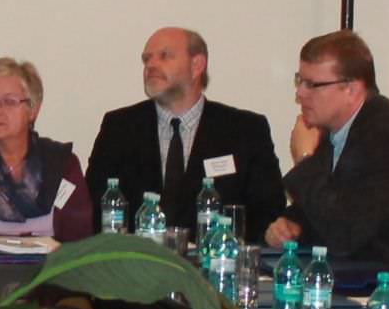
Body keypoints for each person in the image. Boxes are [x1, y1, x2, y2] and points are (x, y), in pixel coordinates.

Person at [264, 29, 389, 285]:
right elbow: (327, 206)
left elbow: (343, 233)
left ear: (351, 89)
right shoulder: (337, 130)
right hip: (373, 279)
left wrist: (304, 158)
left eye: (312, 85)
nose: (300, 94)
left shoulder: (388, 139)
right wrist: (289, 225)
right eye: (299, 80)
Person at [83, 28, 287, 240]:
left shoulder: (245, 130)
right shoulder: (119, 127)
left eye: (165, 56)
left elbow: (268, 212)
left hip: (214, 258)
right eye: (147, 59)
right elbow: (93, 207)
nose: (151, 65)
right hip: (137, 258)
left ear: (197, 65)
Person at [0, 58, 90, 244]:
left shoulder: (61, 164)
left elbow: (79, 238)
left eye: (9, 102)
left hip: (51, 262)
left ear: (33, 110)